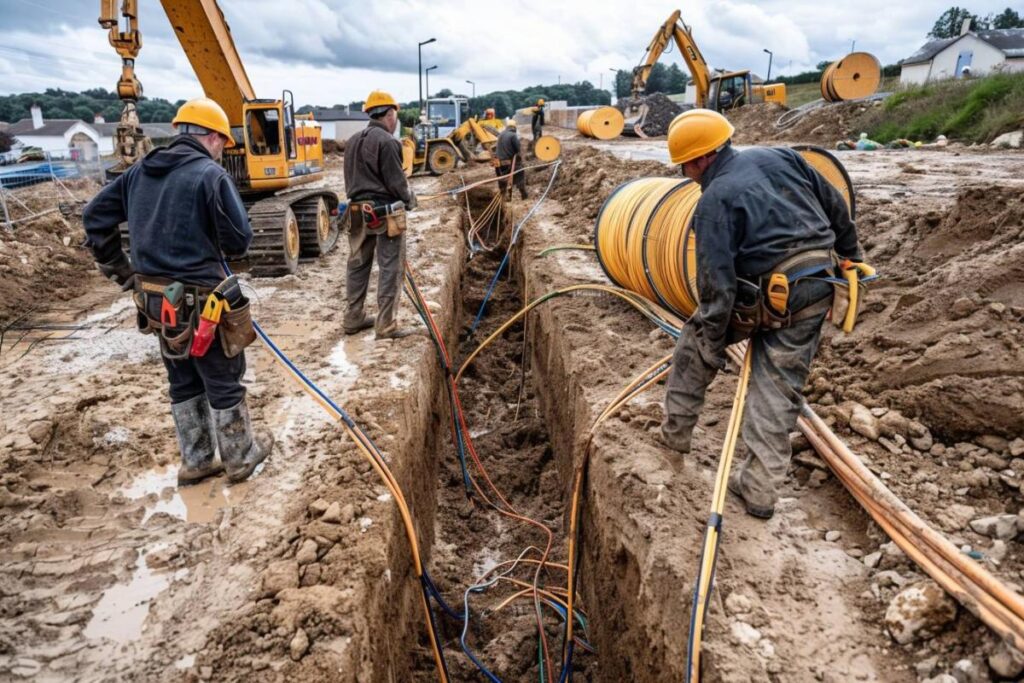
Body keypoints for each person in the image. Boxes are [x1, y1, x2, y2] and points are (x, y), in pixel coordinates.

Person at [659, 109, 866, 519]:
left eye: (684, 165)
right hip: (819, 286)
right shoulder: (784, 157)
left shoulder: (713, 201)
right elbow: (838, 209)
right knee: (778, 384)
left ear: (700, 158)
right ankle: (759, 491)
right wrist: (851, 259)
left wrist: (711, 343)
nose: (685, 174)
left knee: (693, 345)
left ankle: (674, 438)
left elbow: (717, 288)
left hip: (764, 295)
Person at [82, 97, 272, 486]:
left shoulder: (137, 174)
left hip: (157, 302)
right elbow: (238, 243)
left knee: (182, 376)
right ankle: (239, 456)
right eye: (223, 144)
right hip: (206, 303)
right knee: (223, 377)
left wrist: (124, 272)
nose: (222, 152)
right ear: (214, 138)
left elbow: (93, 217)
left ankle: (198, 459)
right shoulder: (210, 175)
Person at [343, 90, 417, 339]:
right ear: (389, 113)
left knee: (357, 263)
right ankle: (385, 325)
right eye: (394, 115)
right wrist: (410, 199)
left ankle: (353, 317)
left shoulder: (353, 141)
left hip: (356, 212)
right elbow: (397, 184)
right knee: (390, 267)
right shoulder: (388, 142)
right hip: (384, 214)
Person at [495, 120, 528, 200]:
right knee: (520, 172)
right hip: (508, 162)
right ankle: (523, 194)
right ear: (514, 127)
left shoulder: (501, 134)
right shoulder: (513, 135)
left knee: (502, 179)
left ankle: (504, 195)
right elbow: (517, 149)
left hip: (498, 163)